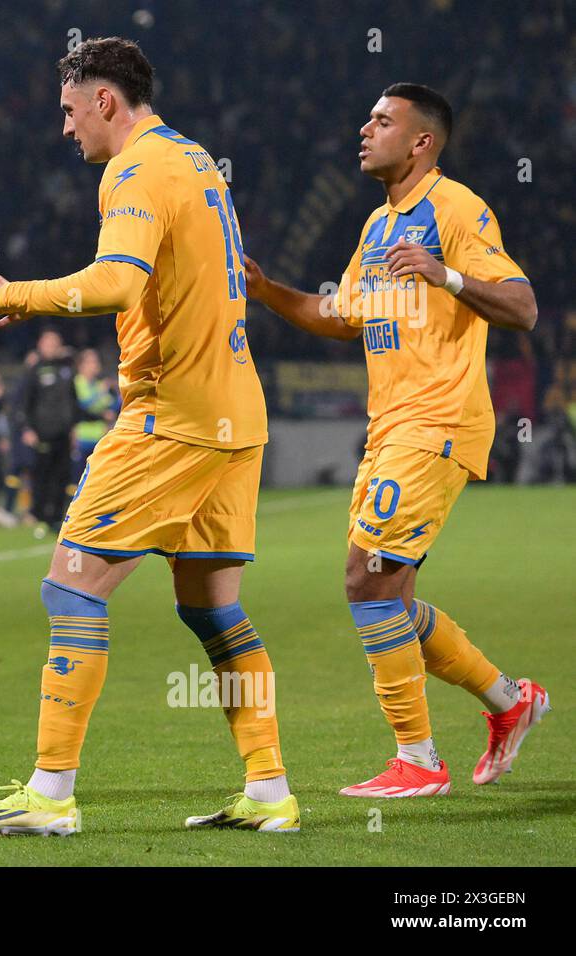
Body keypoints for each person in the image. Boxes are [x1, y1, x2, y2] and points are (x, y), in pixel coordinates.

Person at [0, 37, 296, 834]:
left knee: (70, 583)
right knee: (213, 611)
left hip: (171, 416)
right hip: (235, 416)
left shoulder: (135, 168)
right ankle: (271, 793)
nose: (65, 129)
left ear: (106, 101)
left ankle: (50, 793)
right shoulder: (198, 160)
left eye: (70, 111)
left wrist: (18, 294)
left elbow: (116, 281)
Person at [244, 83, 548, 796]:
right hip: (389, 429)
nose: (363, 128)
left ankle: (418, 758)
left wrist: (445, 271)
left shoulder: (456, 207)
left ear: (421, 142)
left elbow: (524, 307)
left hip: (436, 422)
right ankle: (511, 701)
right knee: (391, 594)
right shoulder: (378, 225)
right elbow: (338, 313)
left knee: (365, 582)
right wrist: (268, 292)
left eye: (381, 121)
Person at [19, 329, 79, 537]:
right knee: (42, 476)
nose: (52, 347)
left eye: (55, 343)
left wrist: (74, 428)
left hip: (63, 433)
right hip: (42, 433)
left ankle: (56, 517)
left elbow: (73, 402)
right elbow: (24, 402)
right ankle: (40, 515)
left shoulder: (67, 370)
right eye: (48, 343)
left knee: (61, 476)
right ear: (40, 345)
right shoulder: (34, 370)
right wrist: (27, 428)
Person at [72, 348, 117, 469]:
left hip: (100, 437)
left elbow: (111, 405)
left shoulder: (98, 383)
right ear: (81, 365)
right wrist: (100, 393)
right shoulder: (77, 382)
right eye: (90, 362)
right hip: (81, 437)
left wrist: (119, 393)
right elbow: (83, 405)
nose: (95, 365)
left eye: (96, 361)